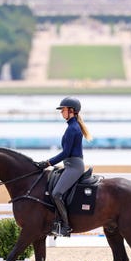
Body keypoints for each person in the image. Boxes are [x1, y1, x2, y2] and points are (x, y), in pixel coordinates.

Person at [35, 96, 92, 236]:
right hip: (70, 165)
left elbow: (66, 153)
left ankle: (66, 226)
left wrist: (47, 163)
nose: (61, 112)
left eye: (63, 110)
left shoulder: (73, 128)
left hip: (74, 166)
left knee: (56, 193)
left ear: (71, 111)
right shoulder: (72, 126)